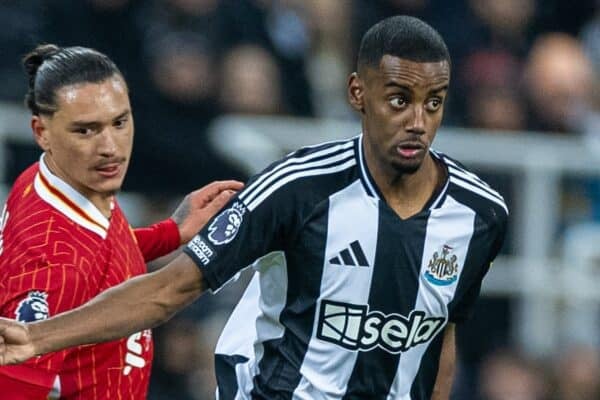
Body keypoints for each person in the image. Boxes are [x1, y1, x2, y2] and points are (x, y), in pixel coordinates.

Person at [0, 16, 508, 399]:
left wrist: (164, 234)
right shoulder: (295, 188)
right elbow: (169, 289)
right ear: (358, 92)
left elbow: (440, 339)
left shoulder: (480, 215)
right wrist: (36, 337)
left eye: (435, 101)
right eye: (399, 99)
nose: (418, 121)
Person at [0, 44, 241, 399]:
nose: (110, 146)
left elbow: (95, 248)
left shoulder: (57, 180)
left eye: (120, 122)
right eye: (86, 131)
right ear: (42, 132)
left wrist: (169, 234)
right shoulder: (50, 266)